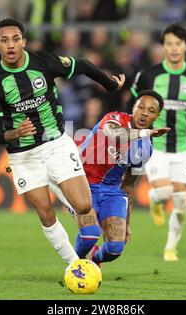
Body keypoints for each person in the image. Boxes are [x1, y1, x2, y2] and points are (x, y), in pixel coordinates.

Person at [0, 18, 125, 265]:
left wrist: (110, 85)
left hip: (55, 143)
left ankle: (62, 191)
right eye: (4, 40)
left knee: (83, 205)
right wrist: (16, 133)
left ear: (23, 41)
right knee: (45, 212)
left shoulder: (43, 61)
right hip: (23, 154)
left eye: (16, 39)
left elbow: (83, 65)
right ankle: (75, 265)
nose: (11, 45)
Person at [50, 90, 169, 266]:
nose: (144, 112)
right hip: (80, 181)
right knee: (91, 234)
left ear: (157, 116)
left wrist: (127, 223)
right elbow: (115, 135)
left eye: (151, 110)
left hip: (111, 191)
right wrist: (146, 133)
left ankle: (95, 259)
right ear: (134, 107)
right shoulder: (114, 119)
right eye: (141, 107)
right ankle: (76, 266)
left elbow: (129, 184)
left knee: (115, 248)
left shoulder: (145, 149)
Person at [129, 23, 186, 262]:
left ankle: (170, 248)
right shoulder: (149, 75)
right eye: (169, 43)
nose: (174, 48)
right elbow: (134, 104)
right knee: (164, 190)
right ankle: (155, 201)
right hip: (155, 145)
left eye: (178, 43)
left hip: (183, 148)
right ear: (163, 46)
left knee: (182, 201)